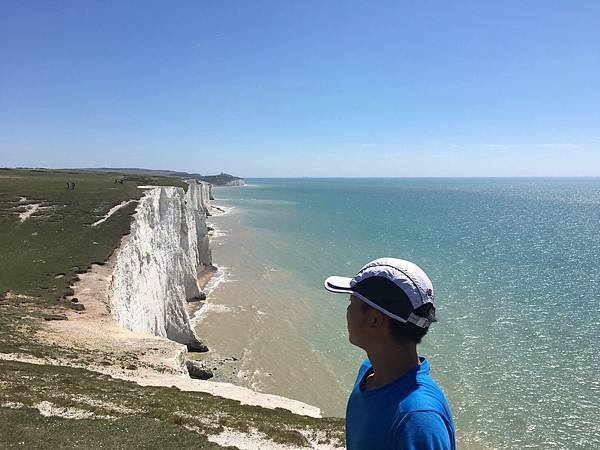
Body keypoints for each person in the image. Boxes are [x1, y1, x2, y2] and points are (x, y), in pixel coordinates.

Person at [324, 258, 455, 450]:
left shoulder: (418, 418)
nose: (348, 310)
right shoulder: (368, 372)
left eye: (351, 302)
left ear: (374, 320)